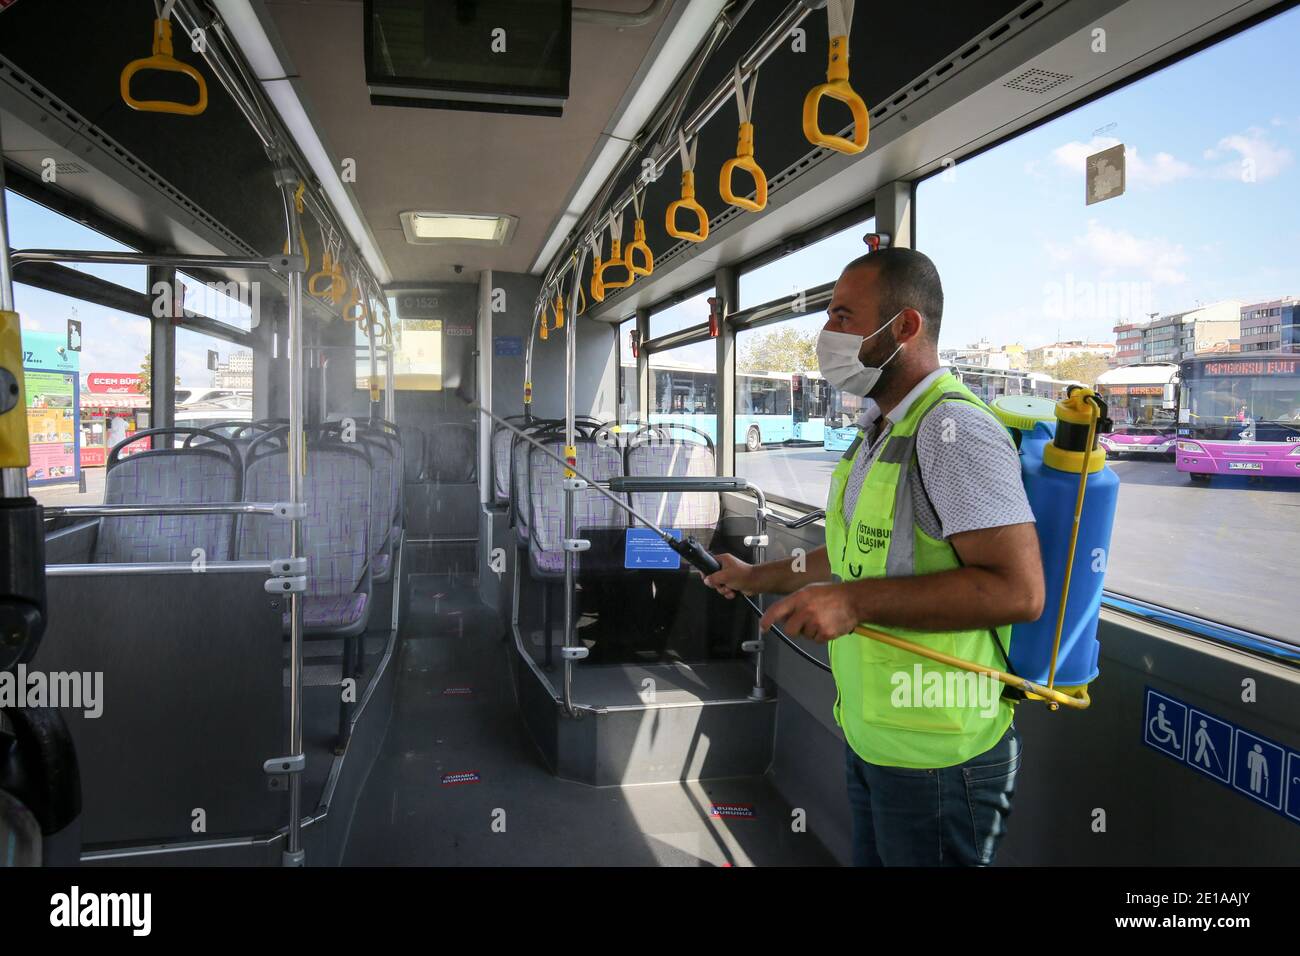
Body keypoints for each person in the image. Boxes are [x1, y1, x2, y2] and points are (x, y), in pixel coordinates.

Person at [702, 248, 1045, 866]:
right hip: (876, 736)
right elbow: (847, 558)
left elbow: (1018, 591)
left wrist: (853, 605)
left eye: (842, 316)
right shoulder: (882, 431)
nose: (826, 335)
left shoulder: (954, 432)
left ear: (905, 327)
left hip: (941, 754)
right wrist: (756, 576)